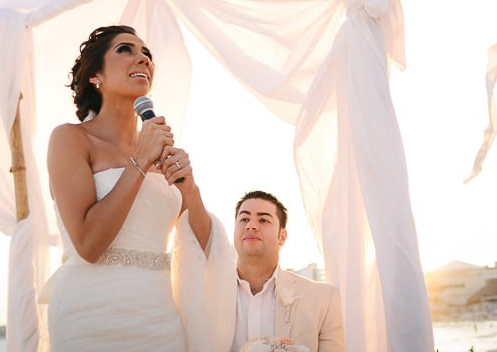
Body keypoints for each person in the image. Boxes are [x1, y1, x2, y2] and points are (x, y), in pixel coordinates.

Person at [44, 25, 214, 351]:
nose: (143, 59)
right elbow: (88, 245)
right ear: (96, 75)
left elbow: (204, 247)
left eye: (147, 54)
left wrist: (189, 188)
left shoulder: (159, 154)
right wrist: (138, 161)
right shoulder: (70, 139)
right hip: (90, 316)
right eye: (126, 50)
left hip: (160, 317)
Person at [231, 191, 344, 352]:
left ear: (282, 237)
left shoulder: (325, 300)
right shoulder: (206, 294)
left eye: (263, 219)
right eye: (244, 219)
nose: (251, 225)